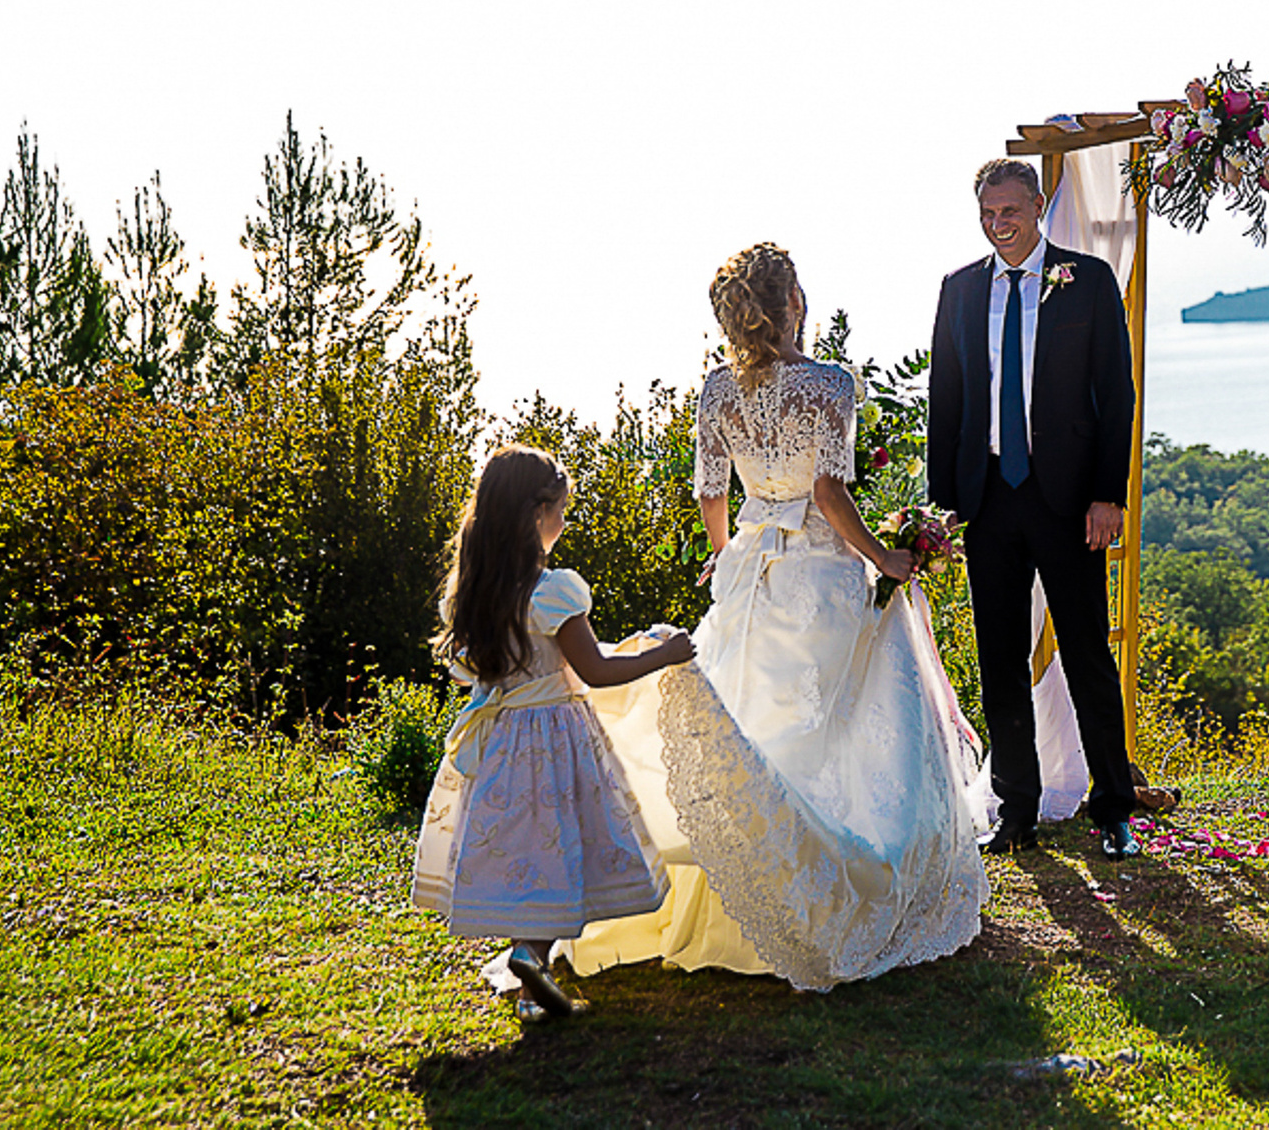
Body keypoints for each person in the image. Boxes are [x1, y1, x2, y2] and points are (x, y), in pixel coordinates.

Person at [563, 242, 989, 991]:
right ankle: (820, 897)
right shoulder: (830, 382)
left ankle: (746, 886)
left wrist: (729, 554)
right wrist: (883, 558)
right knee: (827, 728)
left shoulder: (715, 389)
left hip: (751, 572)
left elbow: (708, 494)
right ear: (793, 300)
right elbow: (827, 492)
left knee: (750, 720)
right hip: (819, 572)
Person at [412, 444, 696, 1022]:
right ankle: (529, 956)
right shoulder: (554, 590)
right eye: (561, 509)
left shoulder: (474, 592)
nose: (563, 522)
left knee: (522, 849)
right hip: (558, 740)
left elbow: (527, 668)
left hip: (500, 743)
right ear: (536, 514)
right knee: (564, 843)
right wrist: (665, 655)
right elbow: (594, 671)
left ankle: (528, 980)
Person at [929, 158, 1143, 861]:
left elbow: (1117, 394)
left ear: (1040, 205)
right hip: (988, 498)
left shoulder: (1087, 280)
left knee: (1086, 651)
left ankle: (1112, 803)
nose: (999, 227)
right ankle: (1015, 808)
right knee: (998, 658)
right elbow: (947, 402)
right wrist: (944, 508)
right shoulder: (959, 290)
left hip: (1070, 500)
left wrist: (1108, 494)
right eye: (988, 215)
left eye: (1011, 213)